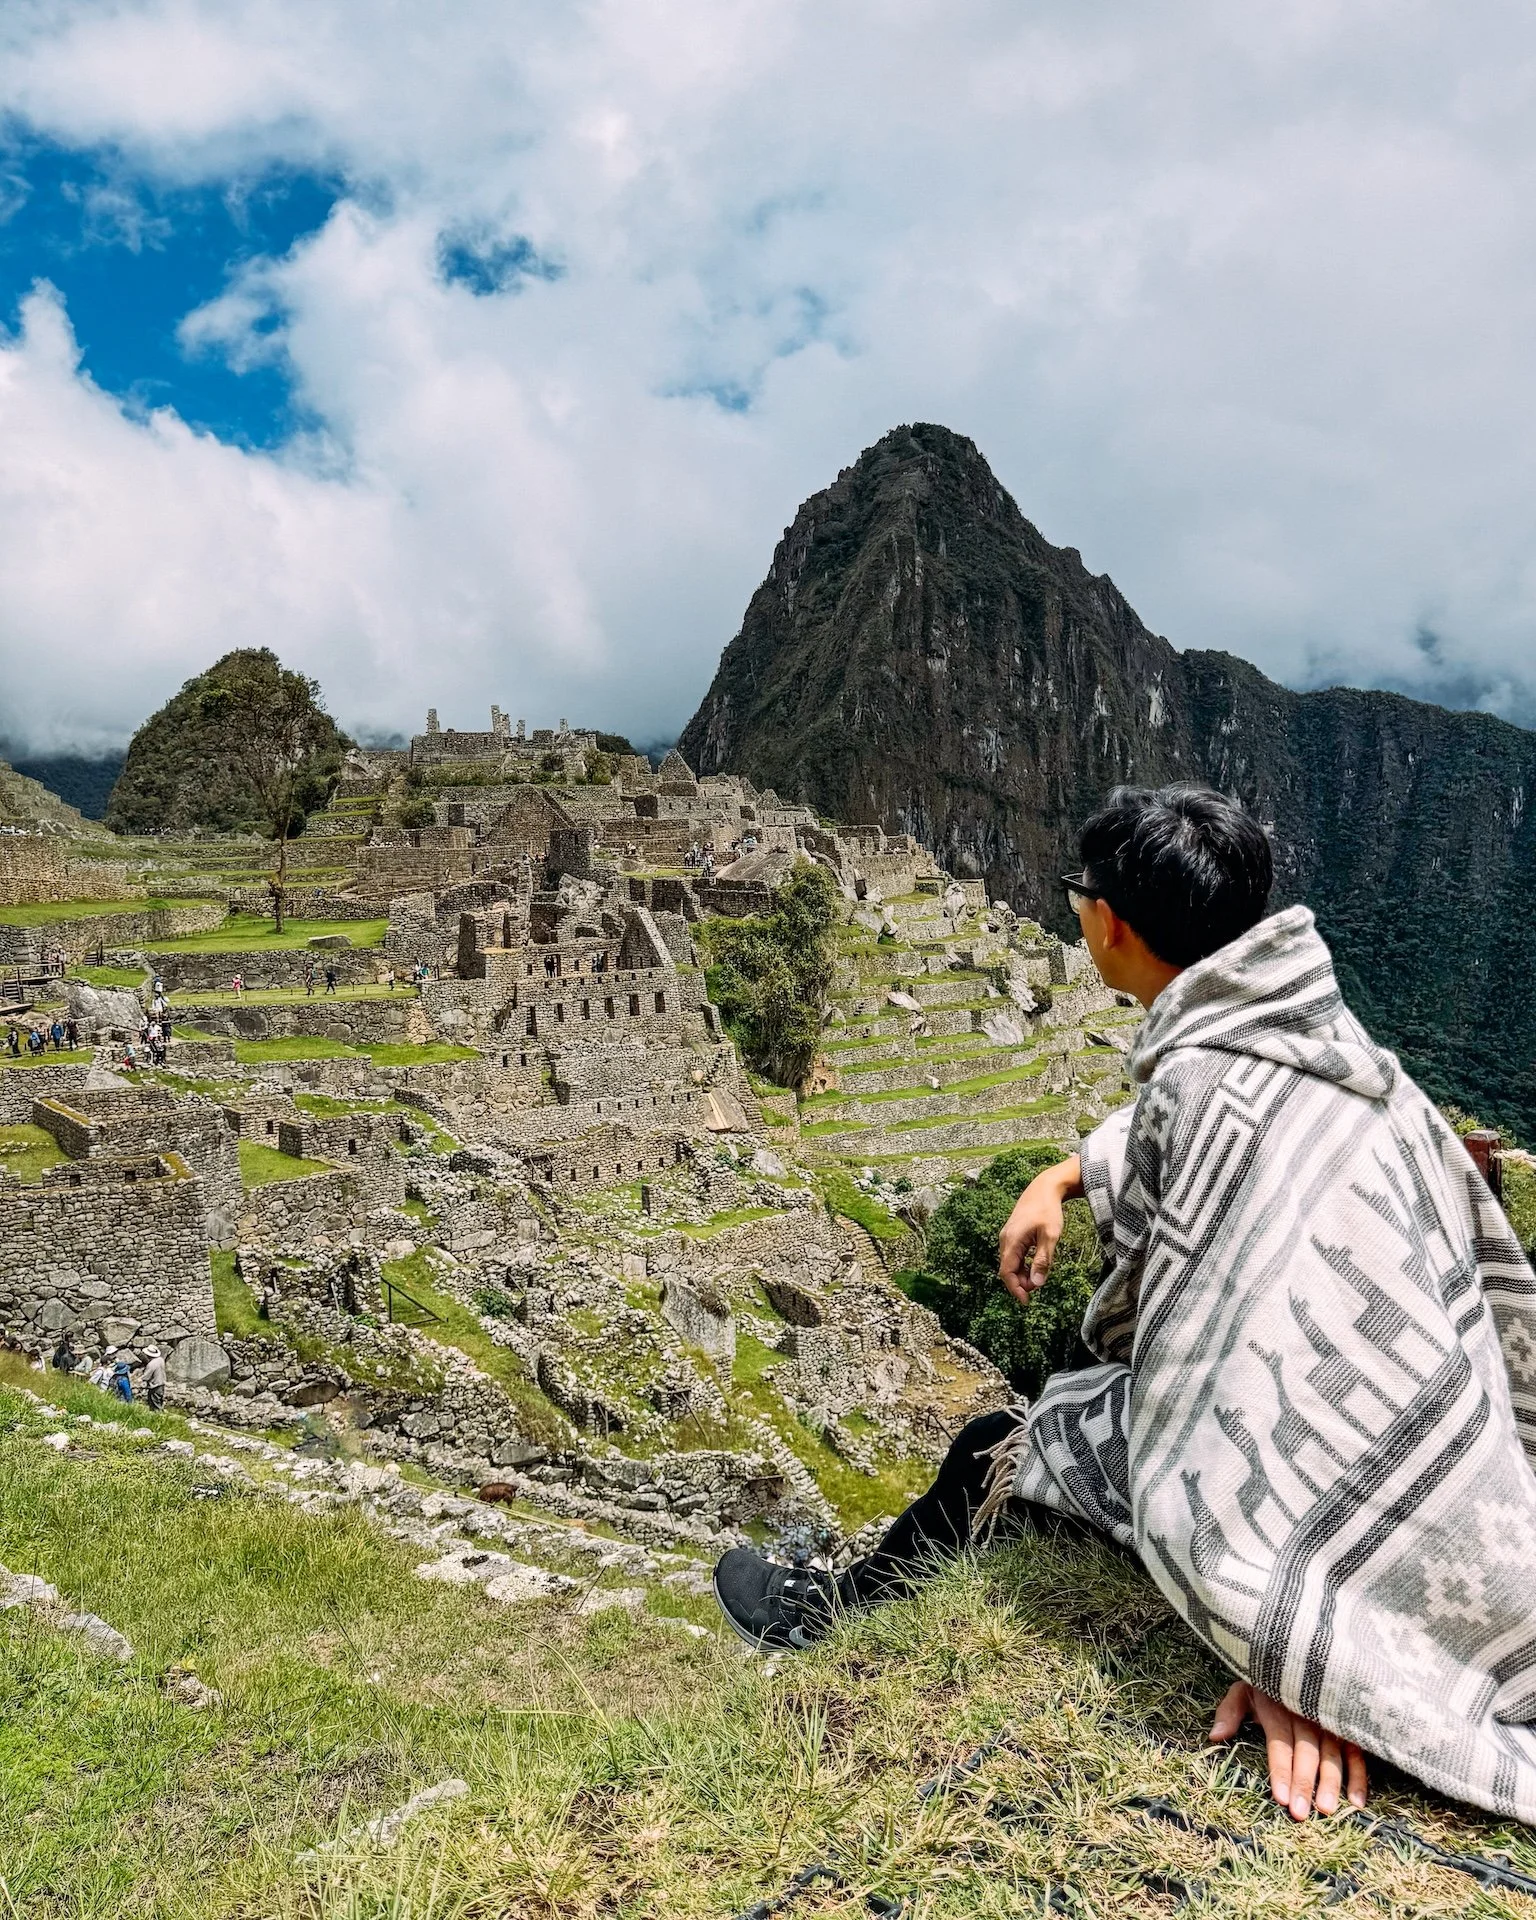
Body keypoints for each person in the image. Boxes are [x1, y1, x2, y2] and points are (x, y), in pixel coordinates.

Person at [714, 783, 1536, 1831]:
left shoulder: (1201, 1084)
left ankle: (823, 1615)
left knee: (1005, 1440)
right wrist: (1060, 1177)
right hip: (1465, 1476)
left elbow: (1235, 1402)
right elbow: (1183, 1129)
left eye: (1078, 899)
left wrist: (1294, 1645)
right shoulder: (1330, 1044)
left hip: (1369, 1518)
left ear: (1111, 924)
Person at [142, 1342, 166, 1412]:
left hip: (154, 1386)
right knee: (159, 1401)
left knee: (154, 1404)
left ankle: (158, 1418)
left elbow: (146, 1376)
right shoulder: (161, 1360)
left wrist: (140, 1379)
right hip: (161, 1384)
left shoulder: (151, 1364)